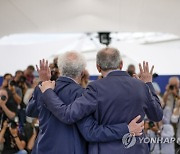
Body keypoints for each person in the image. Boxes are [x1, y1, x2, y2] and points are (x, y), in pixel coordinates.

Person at [39, 47, 163, 154]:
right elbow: (157, 115)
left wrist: (48, 92)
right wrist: (148, 84)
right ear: (121, 64)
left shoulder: (95, 88)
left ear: (98, 67)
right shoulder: (141, 86)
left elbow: (68, 115)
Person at [0, 88, 27, 154]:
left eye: (4, 95)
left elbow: (12, 116)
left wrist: (2, 105)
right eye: (0, 95)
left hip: (15, 150)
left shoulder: (11, 104)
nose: (2, 97)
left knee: (23, 152)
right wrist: (3, 128)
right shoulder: (5, 133)